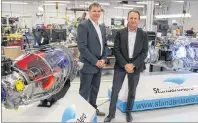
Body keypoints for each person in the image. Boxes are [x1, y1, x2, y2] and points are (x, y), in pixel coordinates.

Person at [104, 10, 148, 122]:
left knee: (132, 91)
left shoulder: (143, 34)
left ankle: (128, 113)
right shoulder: (120, 33)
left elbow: (144, 52)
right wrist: (125, 64)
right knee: (115, 90)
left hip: (136, 66)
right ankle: (111, 114)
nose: (133, 20)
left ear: (139, 20)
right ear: (127, 19)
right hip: (121, 65)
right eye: (131, 18)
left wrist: (133, 64)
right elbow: (116, 50)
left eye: (135, 18)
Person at [76, 2, 107, 116]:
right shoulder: (83, 25)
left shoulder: (102, 27)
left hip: (99, 65)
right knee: (85, 90)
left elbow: (105, 45)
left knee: (95, 89)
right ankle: (81, 113)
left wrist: (103, 59)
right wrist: (95, 61)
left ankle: (93, 108)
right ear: (89, 12)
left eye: (99, 11)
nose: (97, 13)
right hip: (88, 65)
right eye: (94, 11)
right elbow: (82, 47)